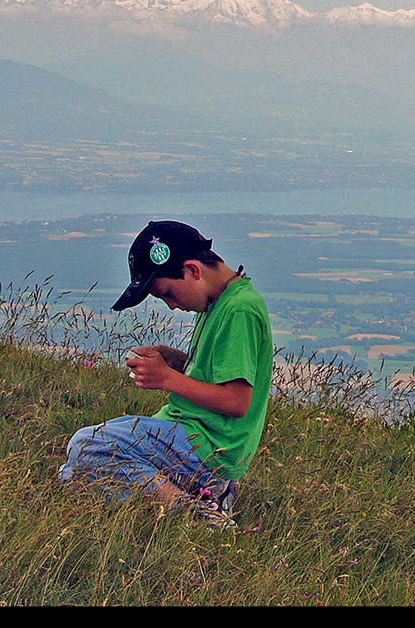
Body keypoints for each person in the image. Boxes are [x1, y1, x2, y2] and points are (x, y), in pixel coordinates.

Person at [58, 220, 273, 528]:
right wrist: (180, 363)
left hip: (208, 449)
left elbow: (237, 401)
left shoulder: (239, 310)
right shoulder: (220, 302)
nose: (172, 305)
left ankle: (199, 517)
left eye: (168, 293)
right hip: (192, 439)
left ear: (193, 270)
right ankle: (193, 497)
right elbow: (221, 377)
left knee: (86, 445)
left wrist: (167, 379)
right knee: (75, 468)